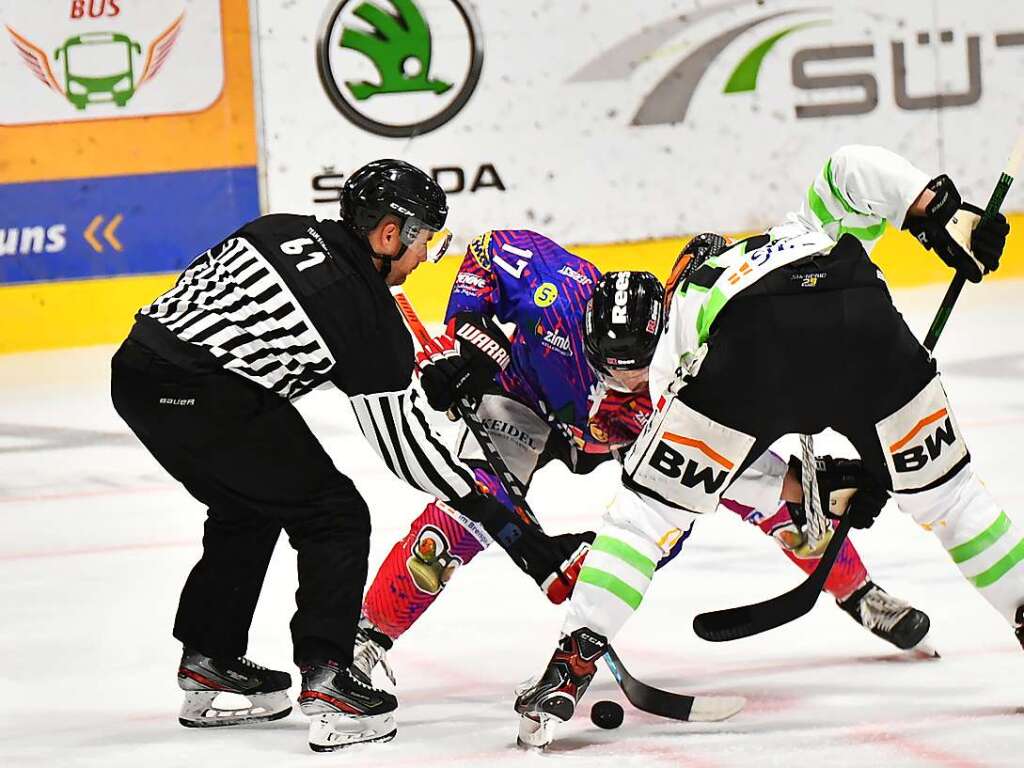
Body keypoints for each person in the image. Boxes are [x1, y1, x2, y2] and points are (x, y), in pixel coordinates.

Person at [512, 144, 1013, 746]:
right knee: (952, 501)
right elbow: (850, 166)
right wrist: (936, 211)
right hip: (863, 323)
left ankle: (570, 666)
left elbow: (718, 467)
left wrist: (811, 490)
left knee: (646, 516)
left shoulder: (686, 310)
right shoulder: (801, 230)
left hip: (748, 347)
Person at [109, 159, 586, 752]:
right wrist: (505, 523)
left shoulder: (280, 227)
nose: (420, 261)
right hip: (203, 391)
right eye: (423, 243)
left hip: (138, 370)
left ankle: (210, 658)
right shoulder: (365, 317)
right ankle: (328, 678)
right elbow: (406, 453)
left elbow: (232, 312)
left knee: (247, 505)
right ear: (389, 234)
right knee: (335, 514)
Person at [352, 226, 934, 691]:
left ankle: (857, 591)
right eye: (609, 362)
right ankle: (366, 639)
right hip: (524, 400)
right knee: (463, 517)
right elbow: (484, 252)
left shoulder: (686, 375)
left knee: (772, 506)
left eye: (636, 367)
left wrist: (611, 563)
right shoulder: (552, 286)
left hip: (640, 434)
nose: (622, 378)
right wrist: (474, 337)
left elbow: (687, 501)